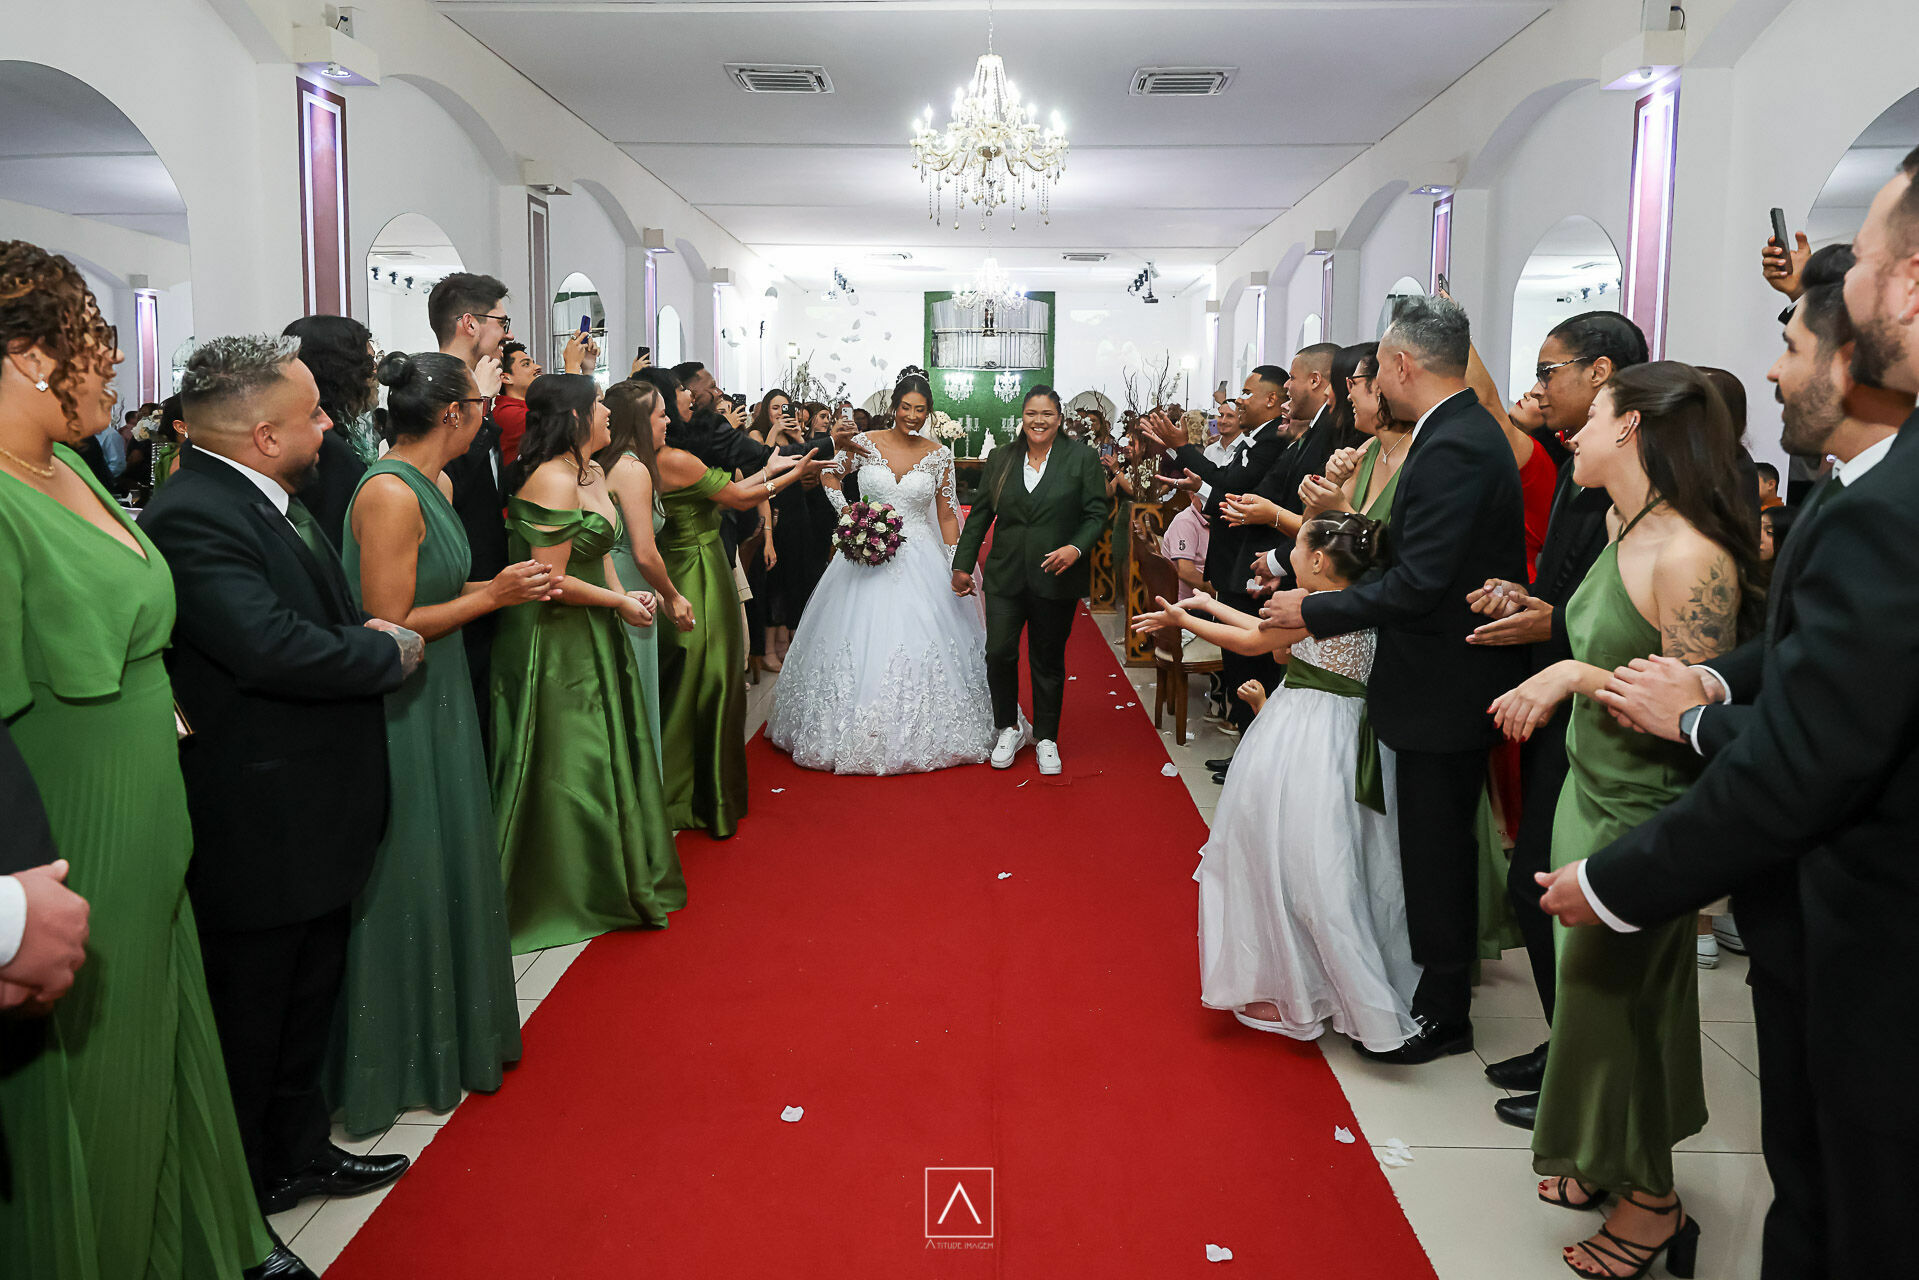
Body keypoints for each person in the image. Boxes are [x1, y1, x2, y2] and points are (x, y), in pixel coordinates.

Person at [1554, 216, 1917, 1279]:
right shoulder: (1848, 493)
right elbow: (1811, 653)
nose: (1769, 367)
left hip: (1872, 928)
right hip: (1818, 912)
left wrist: (1622, 876)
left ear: (1854, 359)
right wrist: (1713, 678)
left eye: (1793, 346)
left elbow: (1814, 751)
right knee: (1805, 1170)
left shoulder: (1885, 508)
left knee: (1854, 1201)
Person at [0, 246, 306, 1280]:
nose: (120, 365)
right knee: (96, 1074)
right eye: (97, 339)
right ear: (28, 353)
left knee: (164, 1034)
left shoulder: (70, 465)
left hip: (148, 806)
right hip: (68, 825)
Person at [139, 334, 421, 1239]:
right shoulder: (195, 513)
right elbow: (265, 646)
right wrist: (383, 647)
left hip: (311, 808)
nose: (328, 424)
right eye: (312, 415)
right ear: (264, 435)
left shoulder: (263, 499)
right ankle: (243, 1191)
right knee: (253, 1018)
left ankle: (298, 1148)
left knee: (305, 999)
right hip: (262, 817)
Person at [1489, 362, 1760, 1276]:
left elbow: (1689, 723)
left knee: (1629, 1010)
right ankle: (1604, 1159)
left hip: (1642, 808)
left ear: (1632, 427)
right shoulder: (1619, 521)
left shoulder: (1691, 556)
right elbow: (1604, 638)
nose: (1570, 430)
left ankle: (1654, 1206)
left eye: (1589, 414)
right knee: (1585, 1001)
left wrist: (1568, 675)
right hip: (1584, 788)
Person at [1261, 295, 1527, 1064]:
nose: (1368, 379)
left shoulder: (1452, 444)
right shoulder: (1455, 432)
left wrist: (1314, 611)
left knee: (1437, 849)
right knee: (1426, 844)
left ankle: (1443, 1012)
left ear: (1402, 366)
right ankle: (1430, 987)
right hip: (1435, 675)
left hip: (1442, 681)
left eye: (1373, 367)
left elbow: (1417, 584)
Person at [327, 352, 552, 1136]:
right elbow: (386, 622)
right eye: (480, 407)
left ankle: (457, 1030)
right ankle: (400, 1052)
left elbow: (437, 592)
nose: (486, 417)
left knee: (455, 853)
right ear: (452, 414)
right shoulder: (388, 492)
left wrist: (496, 590)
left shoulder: (442, 483)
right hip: (406, 703)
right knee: (413, 866)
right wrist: (493, 594)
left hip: (447, 685)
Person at [1460, 311, 1649, 1120]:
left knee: (1553, 880)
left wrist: (1551, 621)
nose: (1540, 387)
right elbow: (1570, 585)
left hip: (1601, 716)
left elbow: (1619, 612)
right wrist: (1533, 603)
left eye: (1551, 370)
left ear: (1600, 374)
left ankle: (1580, 1069)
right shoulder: (1579, 464)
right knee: (1534, 877)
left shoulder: (1635, 483)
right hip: (1556, 696)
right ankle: (1560, 1043)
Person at [1141, 513, 1415, 1048]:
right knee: (1335, 857)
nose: (1287, 549)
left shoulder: (1317, 612)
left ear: (1317, 561)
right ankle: (1320, 976)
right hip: (1340, 731)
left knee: (1305, 861)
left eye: (1297, 544)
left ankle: (1327, 981)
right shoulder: (1345, 604)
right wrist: (1202, 605)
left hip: (1311, 735)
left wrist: (1184, 619)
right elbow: (1256, 630)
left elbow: (1250, 643)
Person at [492, 373, 686, 948]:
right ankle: (562, 884)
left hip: (592, 625)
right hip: (550, 638)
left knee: (603, 752)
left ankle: (611, 871)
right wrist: (620, 601)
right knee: (565, 759)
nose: (608, 413)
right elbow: (548, 581)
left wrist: (623, 594)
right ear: (576, 418)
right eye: (599, 405)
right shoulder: (551, 480)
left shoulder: (592, 472)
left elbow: (596, 550)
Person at [767, 372, 995, 775]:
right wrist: (852, 516)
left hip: (920, 554)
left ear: (929, 412)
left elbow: (945, 513)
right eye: (905, 408)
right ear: (894, 407)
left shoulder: (939, 454)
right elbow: (828, 473)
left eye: (920, 410)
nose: (912, 416)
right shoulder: (867, 444)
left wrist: (956, 561)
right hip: (864, 552)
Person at [654, 394, 813, 835]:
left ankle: (691, 788)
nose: (671, 420)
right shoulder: (674, 460)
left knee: (700, 680)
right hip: (695, 572)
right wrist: (790, 474)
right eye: (663, 413)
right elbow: (738, 497)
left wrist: (780, 470)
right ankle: (689, 792)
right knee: (709, 681)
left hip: (697, 565)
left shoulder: (654, 458)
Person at [951, 385, 1107, 777]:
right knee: (999, 653)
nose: (1039, 421)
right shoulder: (1002, 458)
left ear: (1059, 418)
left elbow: (1095, 514)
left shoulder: (1081, 459)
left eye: (1047, 414)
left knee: (1047, 658)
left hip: (1057, 578)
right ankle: (1008, 726)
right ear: (1022, 417)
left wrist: (1075, 548)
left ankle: (1048, 736)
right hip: (1005, 575)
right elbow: (981, 515)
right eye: (1032, 414)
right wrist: (962, 564)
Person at [1138, 366, 1293, 742]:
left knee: (1251, 667)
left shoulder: (1273, 439)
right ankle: (1242, 744)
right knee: (1239, 665)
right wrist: (1205, 489)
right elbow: (1229, 492)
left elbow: (1233, 484)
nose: (1238, 400)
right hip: (1235, 564)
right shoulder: (1257, 438)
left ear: (1271, 399)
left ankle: (1249, 744)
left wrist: (1181, 447)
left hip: (1253, 565)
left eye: (1247, 392)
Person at [430, 272, 514, 728]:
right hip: (456, 570)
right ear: (469, 323)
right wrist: (480, 402)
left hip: (487, 562)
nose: (507, 332)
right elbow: (443, 475)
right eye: (501, 321)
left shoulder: (477, 380)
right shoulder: (433, 385)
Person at [599, 378, 696, 758]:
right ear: (639, 422)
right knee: (636, 695)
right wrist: (672, 596)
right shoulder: (632, 469)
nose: (668, 421)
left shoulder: (610, 463)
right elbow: (644, 551)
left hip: (623, 584)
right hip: (630, 589)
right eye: (661, 415)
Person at [282, 315, 377, 549]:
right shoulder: (323, 443)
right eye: (368, 363)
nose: (376, 374)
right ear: (343, 370)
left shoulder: (330, 433)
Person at [494, 339, 541, 467]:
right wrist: (573, 365)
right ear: (506, 378)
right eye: (526, 364)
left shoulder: (532, 407)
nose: (538, 367)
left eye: (534, 363)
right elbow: (566, 428)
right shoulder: (506, 413)